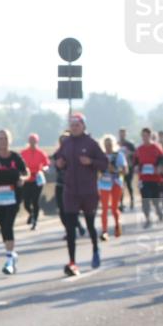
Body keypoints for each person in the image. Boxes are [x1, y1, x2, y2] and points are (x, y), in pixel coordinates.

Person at [53, 113, 107, 276]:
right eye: (72, 125)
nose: (74, 128)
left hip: (88, 191)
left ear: (83, 126)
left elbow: (104, 163)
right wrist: (59, 164)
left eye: (77, 125)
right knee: (70, 228)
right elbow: (58, 160)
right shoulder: (66, 143)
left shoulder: (91, 144)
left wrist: (91, 162)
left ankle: (95, 249)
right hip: (70, 191)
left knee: (90, 224)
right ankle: (72, 262)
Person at [0, 129, 29, 274]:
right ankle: (12, 255)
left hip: (13, 197)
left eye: (5, 138)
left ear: (10, 140)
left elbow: (26, 172)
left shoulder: (15, 157)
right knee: (3, 225)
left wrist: (23, 179)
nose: (2, 141)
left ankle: (9, 259)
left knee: (8, 224)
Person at [135, 127, 163, 228]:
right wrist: (136, 167)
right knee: (145, 199)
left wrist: (159, 167)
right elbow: (135, 162)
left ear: (150, 136)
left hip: (155, 179)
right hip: (144, 179)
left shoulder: (157, 147)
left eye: (146, 135)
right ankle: (147, 218)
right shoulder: (139, 149)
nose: (144, 138)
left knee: (155, 201)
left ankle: (159, 211)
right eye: (143, 136)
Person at [99, 134, 127, 240]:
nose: (108, 147)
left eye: (109, 145)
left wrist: (115, 170)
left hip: (116, 183)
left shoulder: (119, 155)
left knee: (114, 208)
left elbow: (125, 170)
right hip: (104, 183)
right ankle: (104, 231)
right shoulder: (101, 156)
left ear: (113, 145)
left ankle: (117, 225)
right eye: (106, 145)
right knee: (104, 208)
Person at [20, 132, 49, 230]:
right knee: (26, 202)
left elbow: (46, 164)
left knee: (35, 200)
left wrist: (44, 169)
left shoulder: (41, 153)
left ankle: (35, 222)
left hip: (37, 180)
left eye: (34, 141)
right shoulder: (23, 153)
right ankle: (31, 213)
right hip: (27, 179)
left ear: (37, 141)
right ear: (28, 141)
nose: (32, 142)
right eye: (31, 140)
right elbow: (19, 164)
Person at [118, 127, 137, 211]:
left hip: (129, 167)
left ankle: (132, 200)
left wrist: (130, 153)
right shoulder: (116, 144)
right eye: (121, 133)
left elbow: (136, 154)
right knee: (121, 185)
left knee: (129, 184)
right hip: (119, 168)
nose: (122, 135)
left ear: (126, 134)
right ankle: (121, 203)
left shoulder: (130, 144)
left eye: (123, 133)